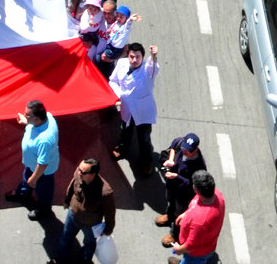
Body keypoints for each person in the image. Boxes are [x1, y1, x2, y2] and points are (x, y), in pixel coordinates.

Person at [53, 157, 116, 264]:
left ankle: (85, 261)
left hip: (90, 225)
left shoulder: (105, 193)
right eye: (79, 169)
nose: (79, 173)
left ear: (93, 174)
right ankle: (59, 260)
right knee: (65, 238)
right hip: (73, 215)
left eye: (83, 172)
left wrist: (107, 230)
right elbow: (72, 185)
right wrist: (67, 200)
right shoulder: (79, 174)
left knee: (89, 244)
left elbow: (110, 213)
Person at [5, 99, 60, 219]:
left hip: (42, 173)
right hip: (31, 164)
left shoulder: (45, 139)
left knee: (43, 191)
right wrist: (26, 122)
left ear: (36, 118)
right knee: (27, 179)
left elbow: (43, 164)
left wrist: (33, 179)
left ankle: (44, 209)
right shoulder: (46, 118)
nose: (25, 116)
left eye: (27, 115)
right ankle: (24, 193)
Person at [110, 42, 159, 174]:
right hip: (126, 108)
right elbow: (113, 80)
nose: (134, 60)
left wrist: (153, 56)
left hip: (142, 110)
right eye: (132, 56)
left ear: (143, 57)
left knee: (144, 139)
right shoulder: (122, 64)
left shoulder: (148, 70)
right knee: (124, 131)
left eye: (138, 57)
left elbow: (153, 66)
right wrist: (118, 95)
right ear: (128, 55)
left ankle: (146, 162)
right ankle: (122, 148)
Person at [156, 132, 207, 248]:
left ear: (195, 150)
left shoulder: (199, 165)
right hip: (172, 185)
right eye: (184, 148)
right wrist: (171, 160)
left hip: (184, 194)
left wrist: (177, 177)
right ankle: (169, 217)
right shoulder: (180, 143)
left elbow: (194, 184)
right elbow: (173, 147)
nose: (184, 151)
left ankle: (175, 234)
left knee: (179, 215)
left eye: (188, 150)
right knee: (170, 202)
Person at [169, 169, 225, 264]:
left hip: (196, 253)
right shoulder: (216, 194)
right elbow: (196, 204)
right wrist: (186, 214)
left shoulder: (200, 221)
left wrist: (179, 249)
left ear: (195, 189)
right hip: (206, 244)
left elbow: (191, 246)